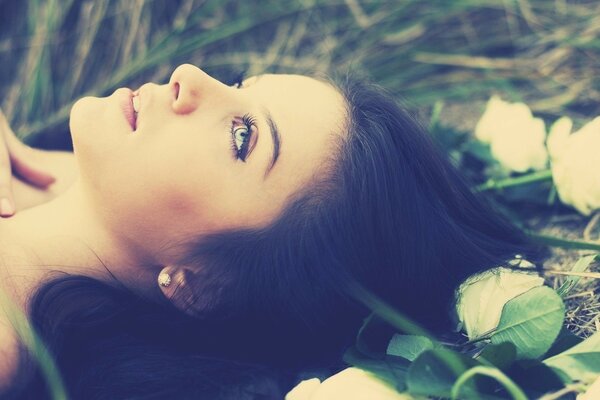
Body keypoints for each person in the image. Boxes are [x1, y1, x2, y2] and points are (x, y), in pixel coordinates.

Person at [0, 64, 550, 399]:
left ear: (205, 287)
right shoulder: (57, 188)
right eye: (237, 84)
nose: (189, 78)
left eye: (241, 138)